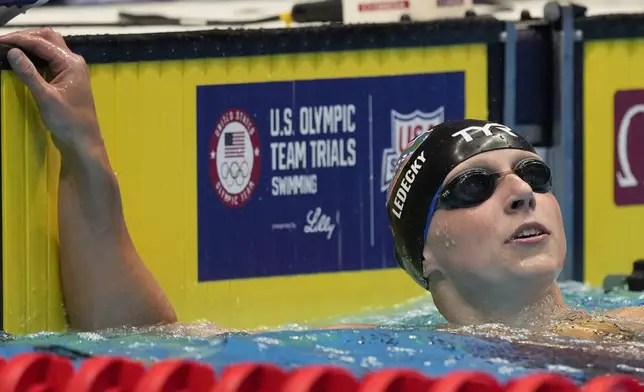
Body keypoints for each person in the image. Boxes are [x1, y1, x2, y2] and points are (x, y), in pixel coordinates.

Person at [1, 28, 643, 338]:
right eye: (472, 187)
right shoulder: (380, 354)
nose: (522, 192)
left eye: (533, 173)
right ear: (424, 255)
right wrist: (82, 148)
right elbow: (139, 344)